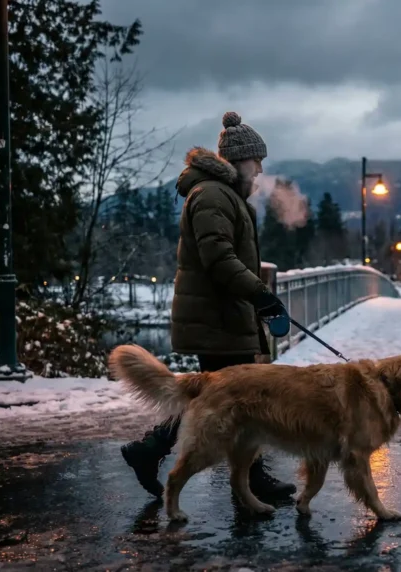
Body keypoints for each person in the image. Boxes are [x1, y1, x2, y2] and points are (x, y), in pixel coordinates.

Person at [120, 111, 296, 499]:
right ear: (239, 160)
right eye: (257, 161)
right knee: (240, 398)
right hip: (218, 318)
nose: (260, 169)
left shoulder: (223, 196)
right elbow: (219, 259)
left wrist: (256, 299)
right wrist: (261, 295)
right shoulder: (213, 196)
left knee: (212, 398)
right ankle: (250, 477)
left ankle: (149, 450)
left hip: (224, 316)